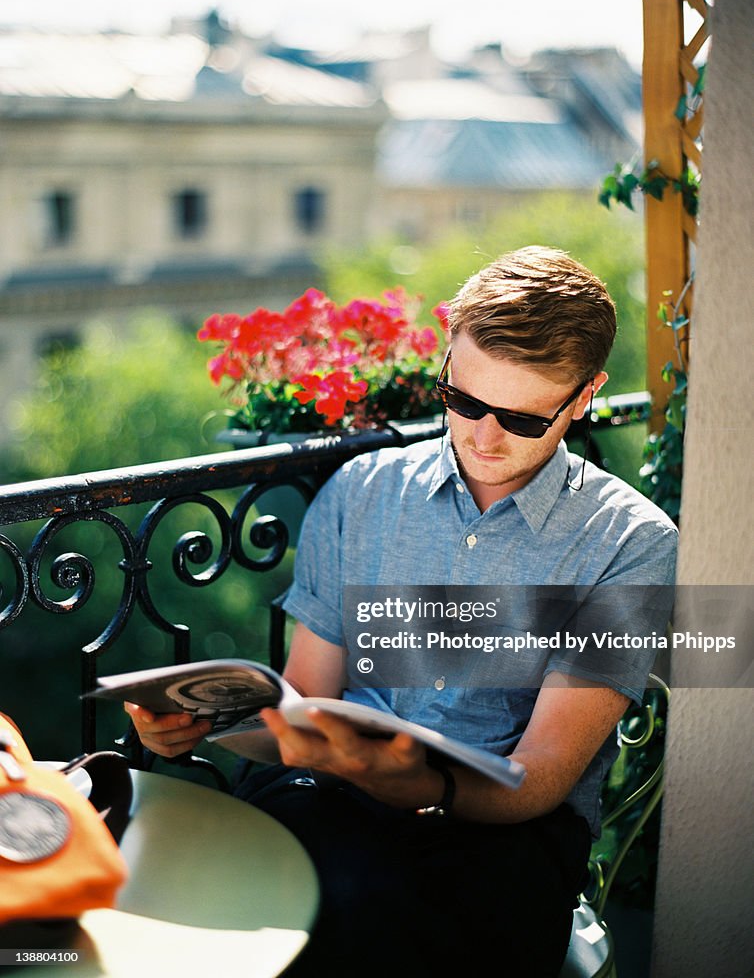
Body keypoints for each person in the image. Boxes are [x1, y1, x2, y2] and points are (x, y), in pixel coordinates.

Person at [126, 246, 677, 977]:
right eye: (463, 401)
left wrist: (421, 785)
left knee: (372, 921)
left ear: (582, 397)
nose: (483, 438)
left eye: (519, 418)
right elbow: (309, 696)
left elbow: (539, 775)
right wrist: (197, 729)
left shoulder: (632, 543)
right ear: (446, 364)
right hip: (337, 799)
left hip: (507, 834)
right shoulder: (361, 492)